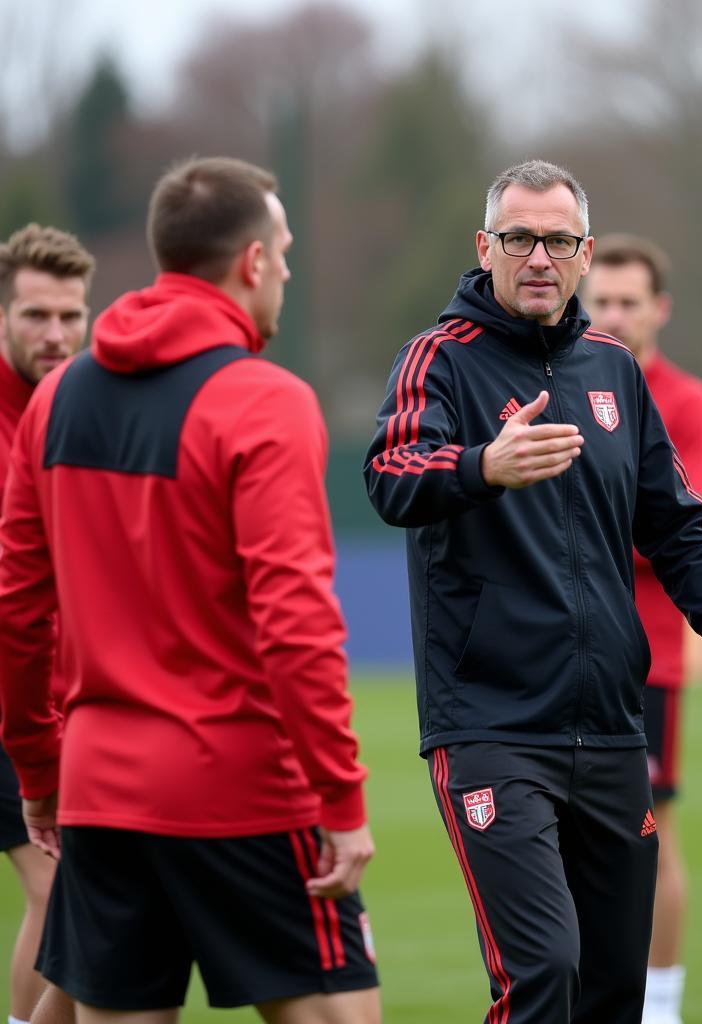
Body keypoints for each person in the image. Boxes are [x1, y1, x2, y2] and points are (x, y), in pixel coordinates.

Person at [364, 158, 702, 1024]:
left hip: (610, 732)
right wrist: (482, 465)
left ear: (585, 254)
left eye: (558, 240)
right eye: (519, 238)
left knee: (614, 991)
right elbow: (392, 472)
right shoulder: (437, 359)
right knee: (544, 971)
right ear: (486, 248)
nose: (539, 257)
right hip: (490, 728)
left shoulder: (613, 371)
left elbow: (677, 530)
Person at [0, 156, 380, 1024]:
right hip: (242, 791)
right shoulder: (264, 401)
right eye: (283, 253)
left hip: (99, 792)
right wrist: (341, 798)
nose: (287, 272)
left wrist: (39, 767)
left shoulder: (55, 399)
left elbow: (19, 610)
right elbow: (296, 626)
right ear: (251, 263)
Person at [582, 234, 702, 1024]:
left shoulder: (688, 400)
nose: (614, 315)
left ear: (659, 309)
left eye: (630, 302)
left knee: (649, 831)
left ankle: (660, 1004)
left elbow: (686, 522)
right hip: (560, 647)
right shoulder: (560, 376)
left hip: (648, 655)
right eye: (601, 300)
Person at [0, 224, 94, 1024]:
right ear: (4, 317)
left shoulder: (83, 410)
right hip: (11, 702)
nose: (56, 334)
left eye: (69, 315)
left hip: (60, 699)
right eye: (35, 315)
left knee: (83, 894)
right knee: (59, 885)